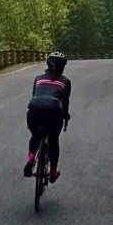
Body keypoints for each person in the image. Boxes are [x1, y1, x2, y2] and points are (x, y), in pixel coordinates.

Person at [23, 51, 71, 182]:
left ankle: (31, 157)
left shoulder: (38, 78)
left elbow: (35, 95)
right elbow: (65, 103)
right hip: (53, 113)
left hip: (34, 111)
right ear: (63, 66)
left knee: (35, 136)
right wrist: (66, 117)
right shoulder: (65, 81)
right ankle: (53, 171)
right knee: (53, 140)